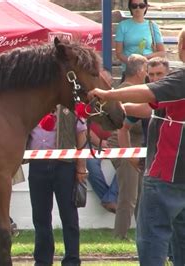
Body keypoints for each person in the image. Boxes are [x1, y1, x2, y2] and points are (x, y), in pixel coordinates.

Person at [88, 66, 185, 266]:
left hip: (166, 174)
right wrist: (123, 108)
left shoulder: (180, 80)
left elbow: (147, 92)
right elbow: (150, 106)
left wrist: (108, 94)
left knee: (152, 240)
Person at [27, 105, 87, 266]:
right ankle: (43, 260)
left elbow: (81, 135)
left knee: (69, 216)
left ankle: (72, 260)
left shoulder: (69, 108)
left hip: (64, 166)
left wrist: (81, 166)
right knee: (40, 217)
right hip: (37, 165)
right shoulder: (31, 107)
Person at [108, 54, 148, 240]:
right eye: (147, 69)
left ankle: (142, 232)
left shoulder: (123, 90)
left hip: (131, 148)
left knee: (139, 195)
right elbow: (130, 124)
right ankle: (120, 235)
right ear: (140, 71)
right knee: (129, 195)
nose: (148, 74)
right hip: (125, 148)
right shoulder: (131, 93)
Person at [115, 0, 165, 78]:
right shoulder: (123, 26)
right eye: (134, 6)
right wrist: (132, 62)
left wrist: (145, 57)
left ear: (146, 7)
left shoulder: (152, 25)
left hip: (148, 71)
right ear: (130, 8)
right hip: (129, 71)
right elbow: (118, 53)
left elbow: (162, 52)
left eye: (141, 5)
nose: (138, 8)